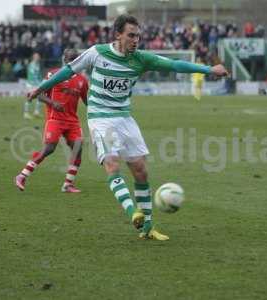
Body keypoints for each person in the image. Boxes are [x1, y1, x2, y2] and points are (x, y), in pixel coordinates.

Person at [27, 15, 228, 241]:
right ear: (118, 34)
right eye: (131, 35)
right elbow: (68, 71)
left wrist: (209, 69)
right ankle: (134, 213)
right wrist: (40, 88)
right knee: (112, 164)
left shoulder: (141, 59)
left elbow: (175, 65)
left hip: (124, 117)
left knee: (141, 170)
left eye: (138, 36)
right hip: (100, 118)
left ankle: (148, 228)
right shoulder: (97, 53)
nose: (136, 40)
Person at [15, 49, 89, 193]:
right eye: (69, 59)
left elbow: (87, 101)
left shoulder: (82, 80)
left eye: (74, 59)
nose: (72, 62)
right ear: (64, 59)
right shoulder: (54, 74)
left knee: (78, 149)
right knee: (49, 149)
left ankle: (68, 184)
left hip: (72, 121)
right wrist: (52, 103)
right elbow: (40, 95)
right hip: (55, 119)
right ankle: (22, 175)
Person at [24, 53, 43, 119]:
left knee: (40, 97)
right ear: (34, 57)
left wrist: (41, 81)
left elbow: (39, 75)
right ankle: (26, 113)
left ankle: (36, 112)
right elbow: (32, 75)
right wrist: (39, 83)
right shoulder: (32, 65)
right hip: (31, 84)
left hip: (36, 84)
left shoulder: (37, 64)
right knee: (30, 97)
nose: (38, 58)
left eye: (38, 56)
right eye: (37, 57)